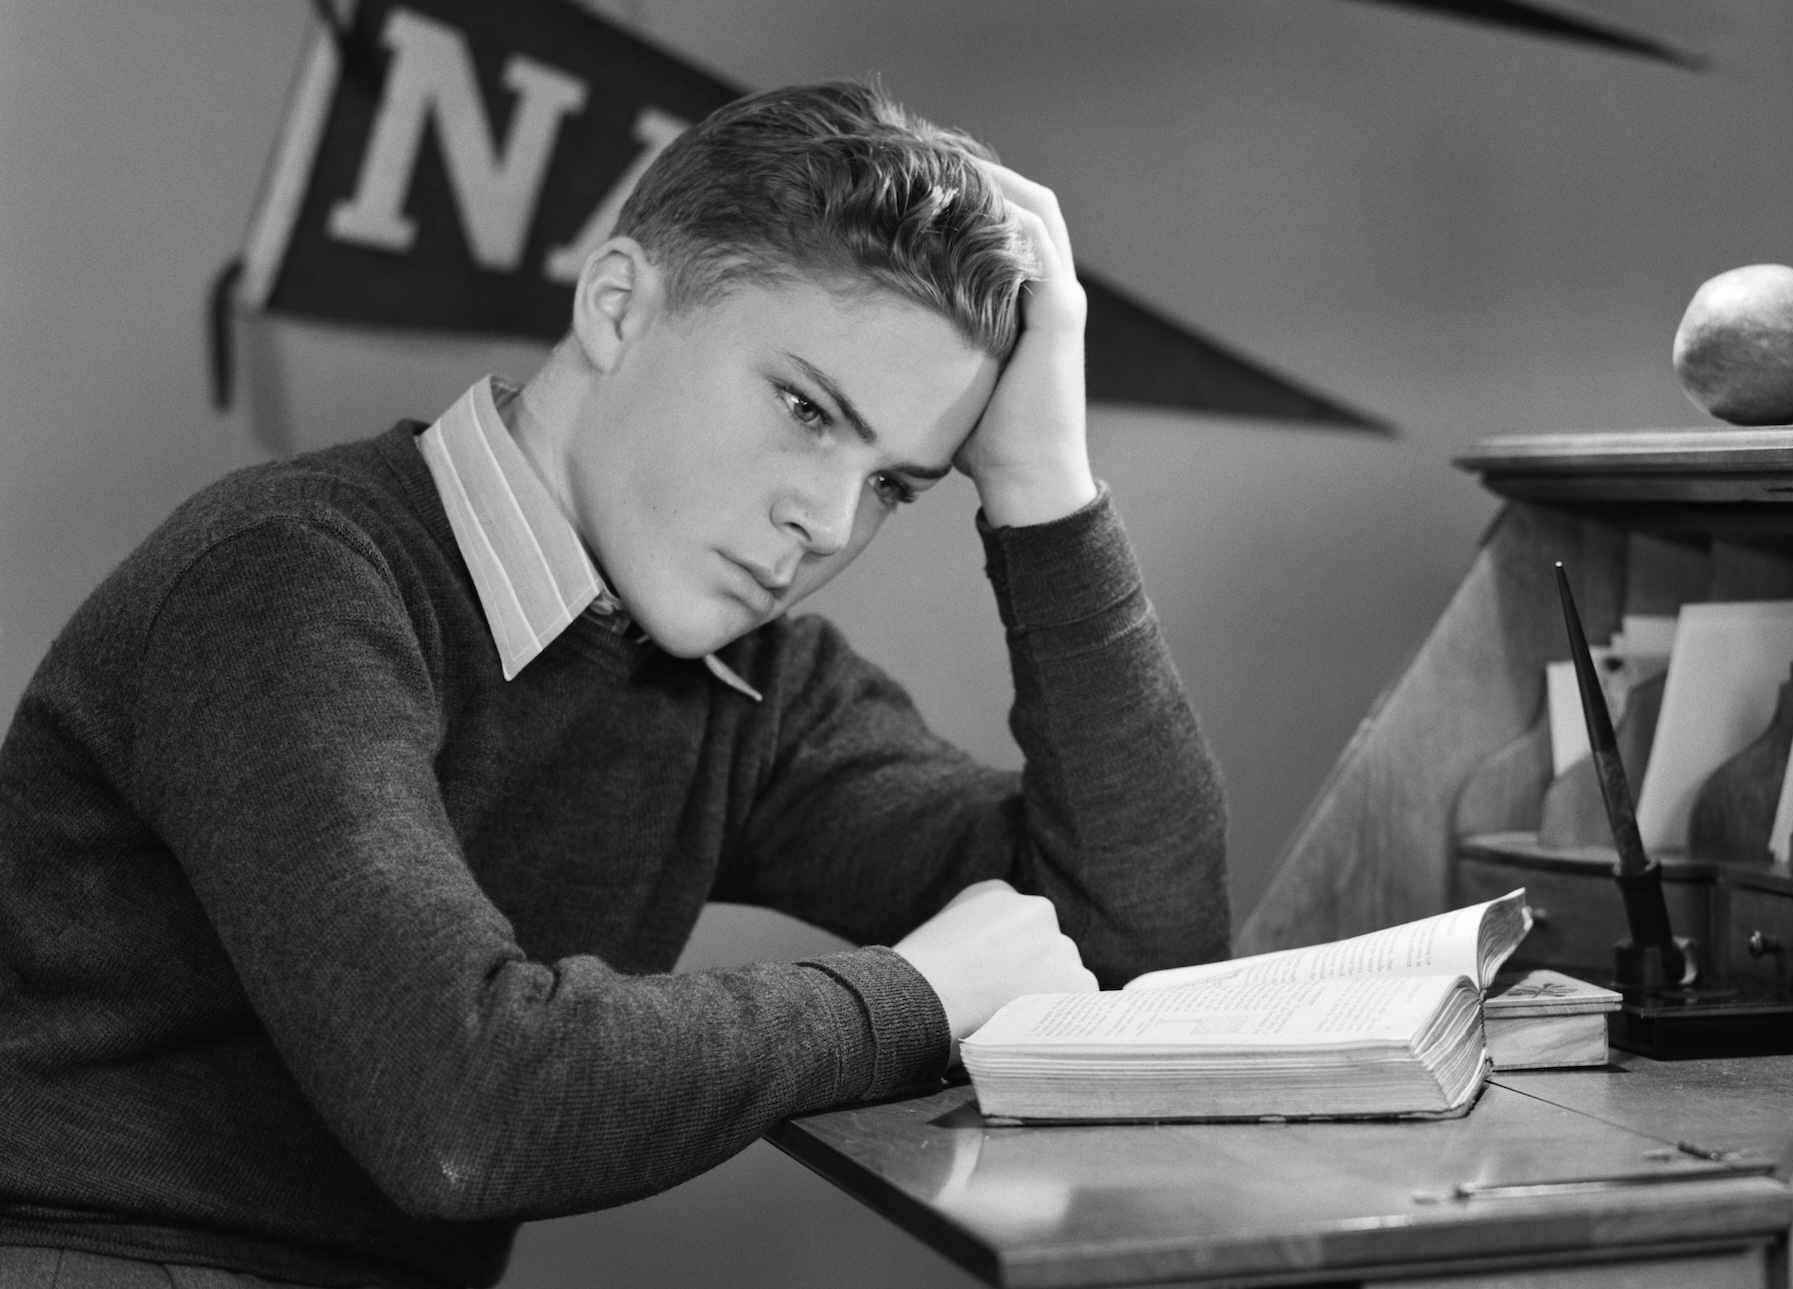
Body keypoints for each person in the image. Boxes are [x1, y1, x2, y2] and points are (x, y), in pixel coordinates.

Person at [0, 81, 1228, 1288]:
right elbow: (463, 1109)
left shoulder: (746, 685)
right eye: (805, 407)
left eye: (896, 484)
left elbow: (1132, 948)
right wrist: (909, 1001)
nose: (826, 519)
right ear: (618, 304)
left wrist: (1046, 492)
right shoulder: (288, 581)